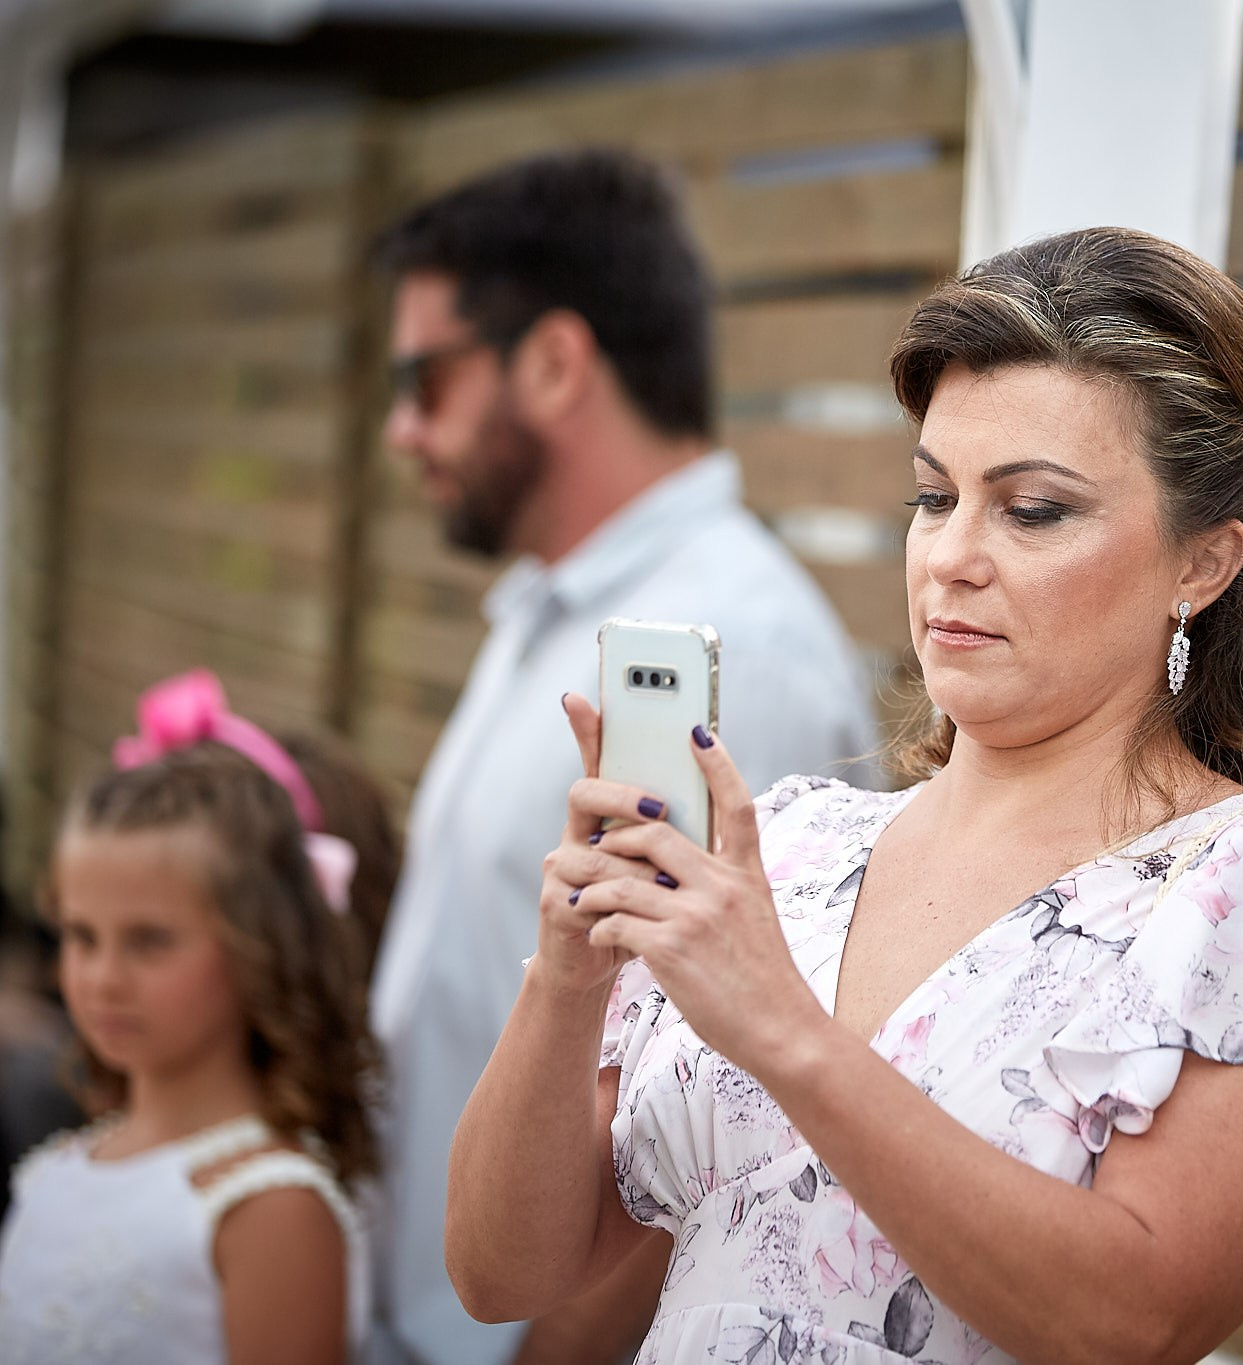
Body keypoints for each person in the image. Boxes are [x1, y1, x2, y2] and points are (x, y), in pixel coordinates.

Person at [446, 226, 1243, 1364]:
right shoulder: (799, 850)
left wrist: (787, 1035)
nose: (950, 556)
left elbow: (1133, 1319)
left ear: (1200, 565)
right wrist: (567, 980)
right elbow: (498, 1273)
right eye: (932, 496)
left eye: (1032, 511)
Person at [366, 148, 875, 1365]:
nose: (398, 430)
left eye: (424, 379)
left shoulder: (734, 653)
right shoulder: (566, 607)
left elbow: (722, 1103)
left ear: (552, 362)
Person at [0, 669, 388, 1365]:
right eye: (81, 936)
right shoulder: (60, 1163)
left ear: (256, 947)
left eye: (149, 940)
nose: (103, 978)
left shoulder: (270, 1207)